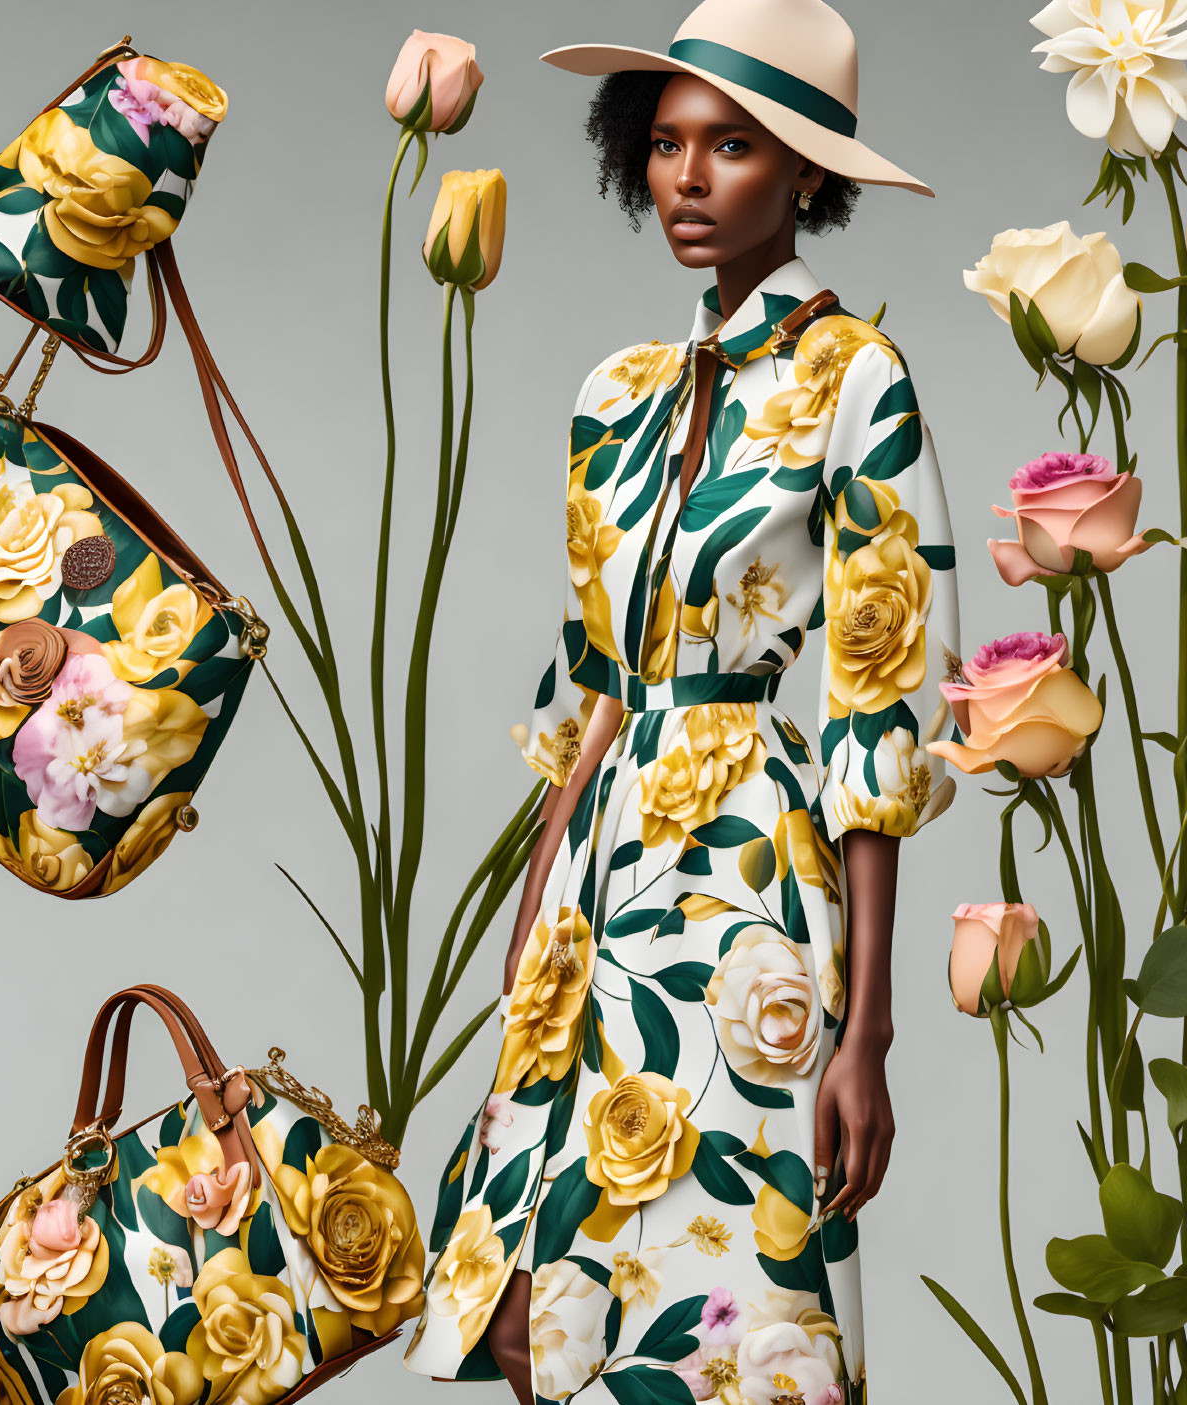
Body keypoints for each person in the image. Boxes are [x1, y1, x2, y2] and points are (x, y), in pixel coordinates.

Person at [403, 3, 962, 1400]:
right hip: (595, 885)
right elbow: (588, 704)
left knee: (734, 1303)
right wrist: (522, 962)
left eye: (730, 146)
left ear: (805, 177)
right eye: (664, 145)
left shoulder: (858, 380)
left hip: (748, 897)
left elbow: (879, 713)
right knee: (541, 1314)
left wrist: (867, 1032)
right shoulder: (616, 395)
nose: (689, 180)